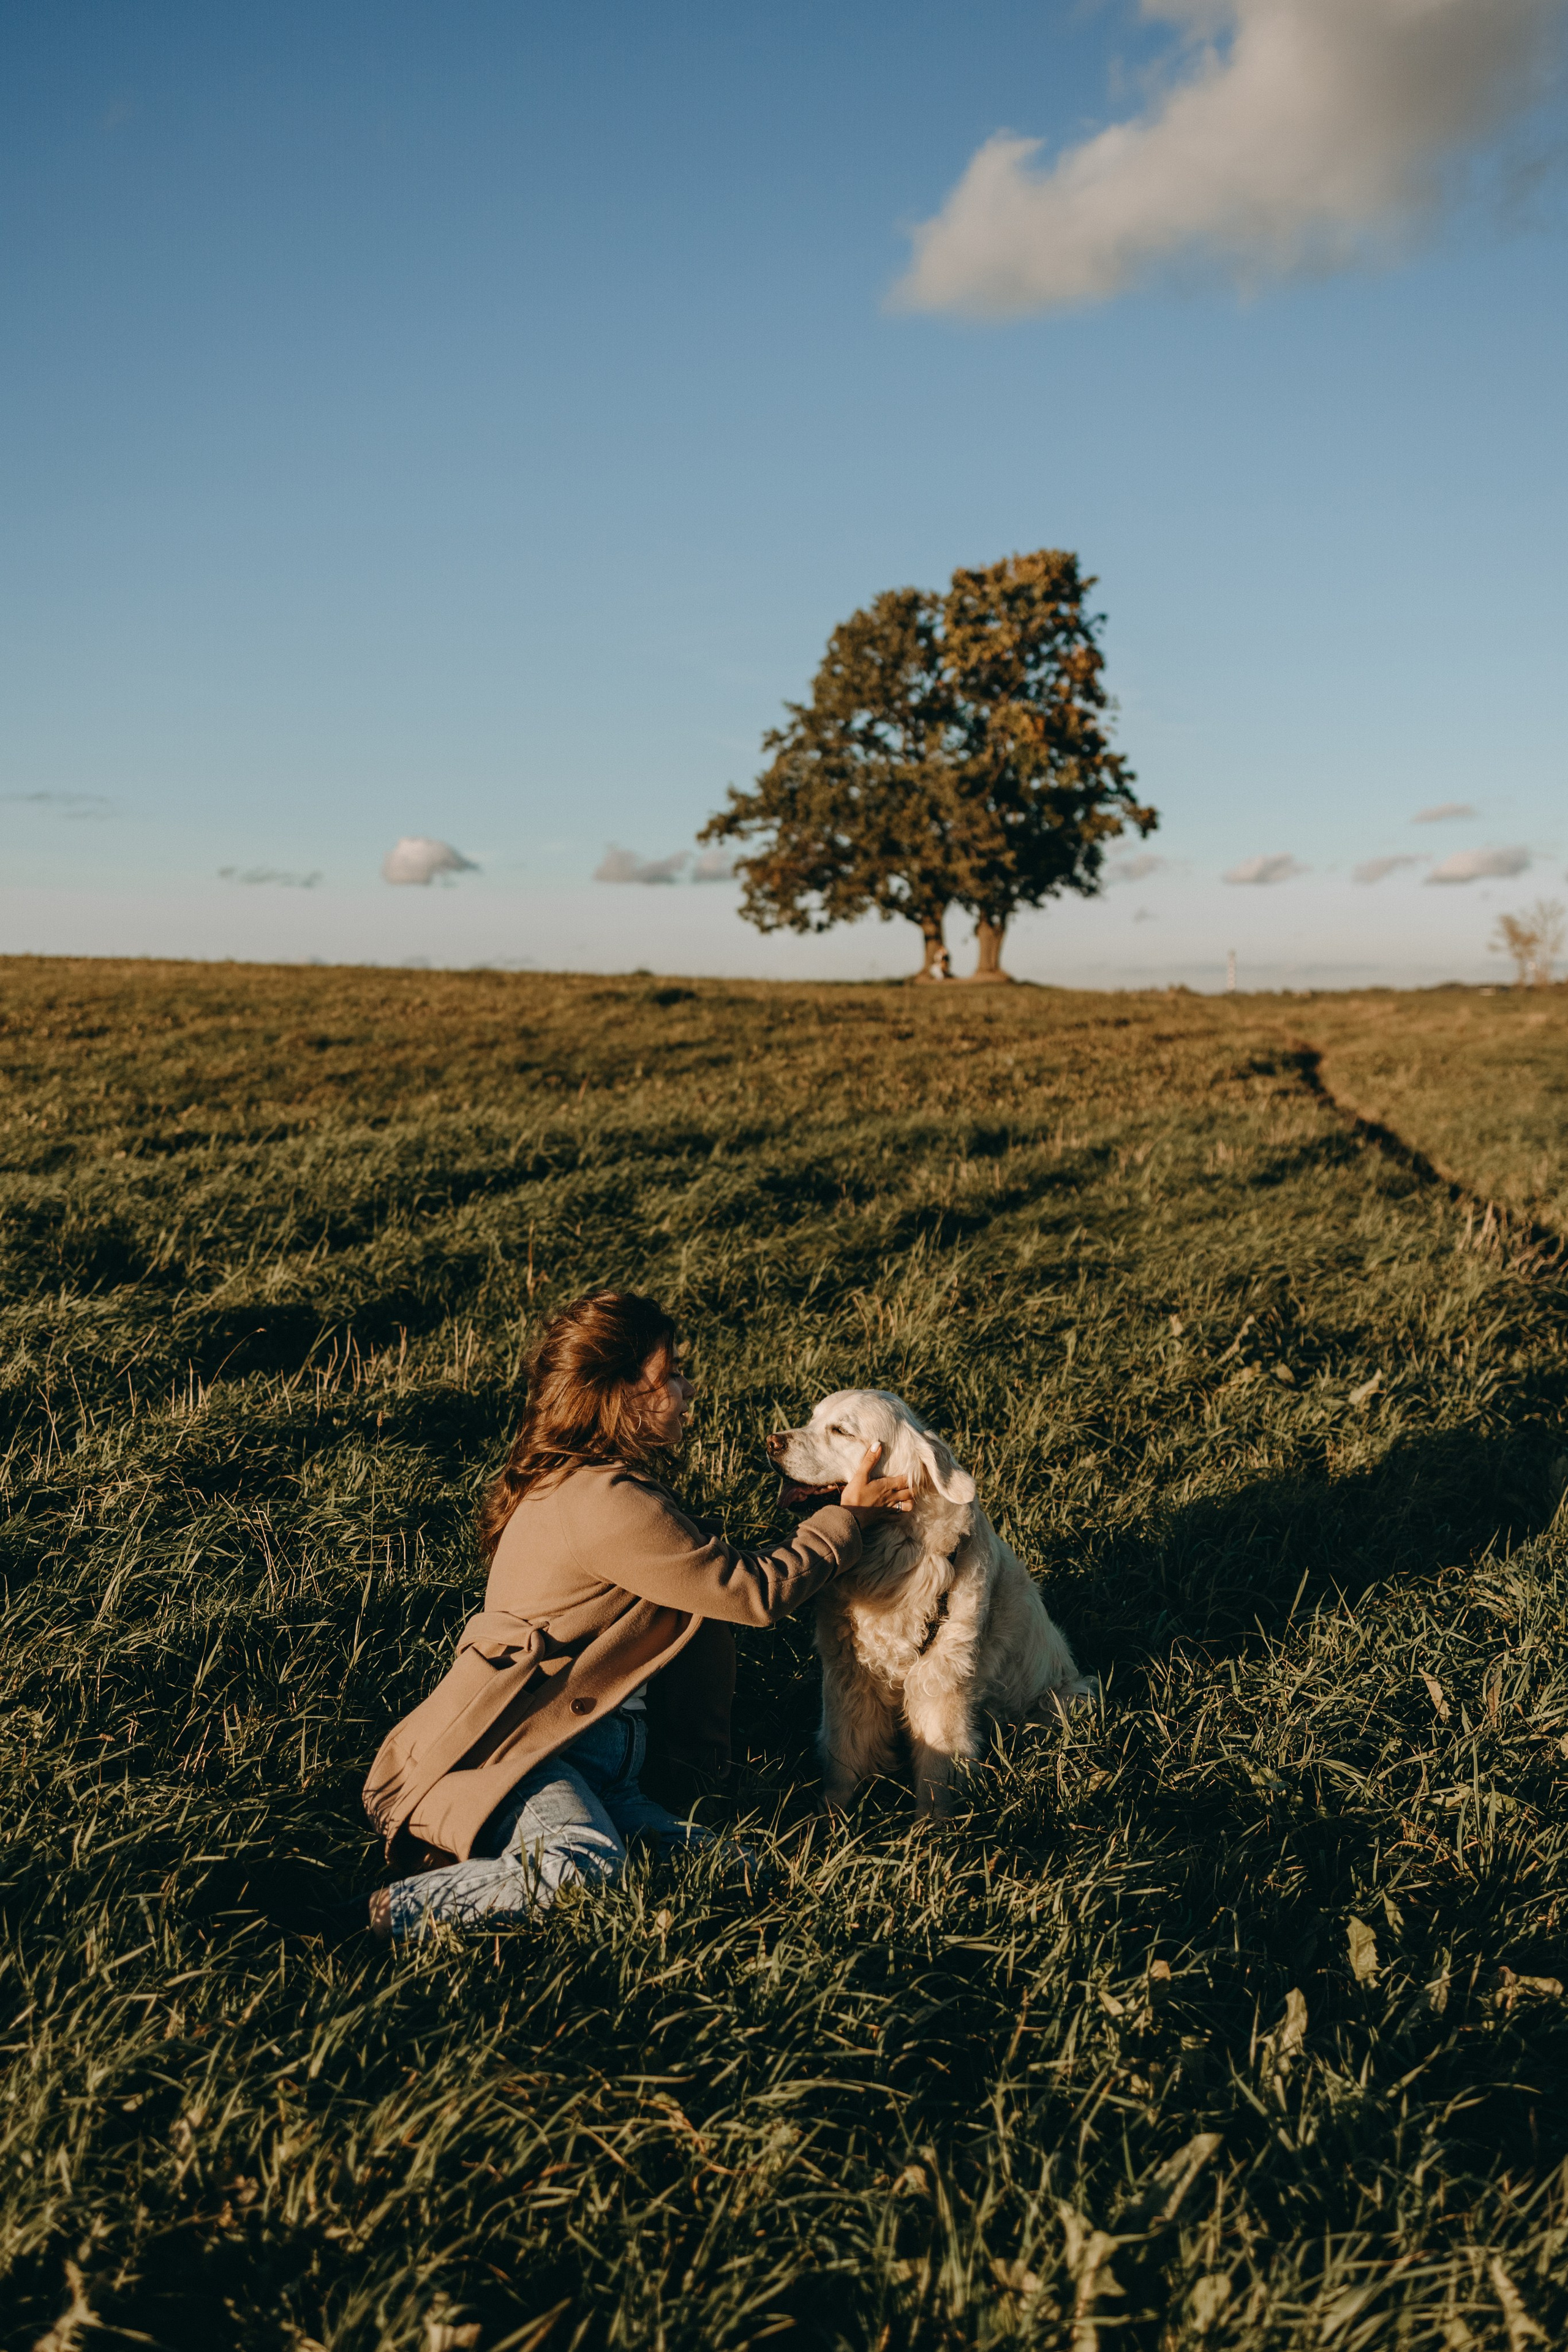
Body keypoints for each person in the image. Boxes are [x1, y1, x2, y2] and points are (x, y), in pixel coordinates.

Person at [361, 1289, 911, 1940]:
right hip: (516, 1755)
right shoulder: (602, 1499)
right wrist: (847, 1519)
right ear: (620, 1394)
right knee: (581, 1870)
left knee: (743, 1871)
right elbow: (752, 1593)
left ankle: (520, 1863)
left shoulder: (598, 1482)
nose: (686, 1388)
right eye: (668, 1375)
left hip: (603, 1768)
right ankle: (381, 1915)